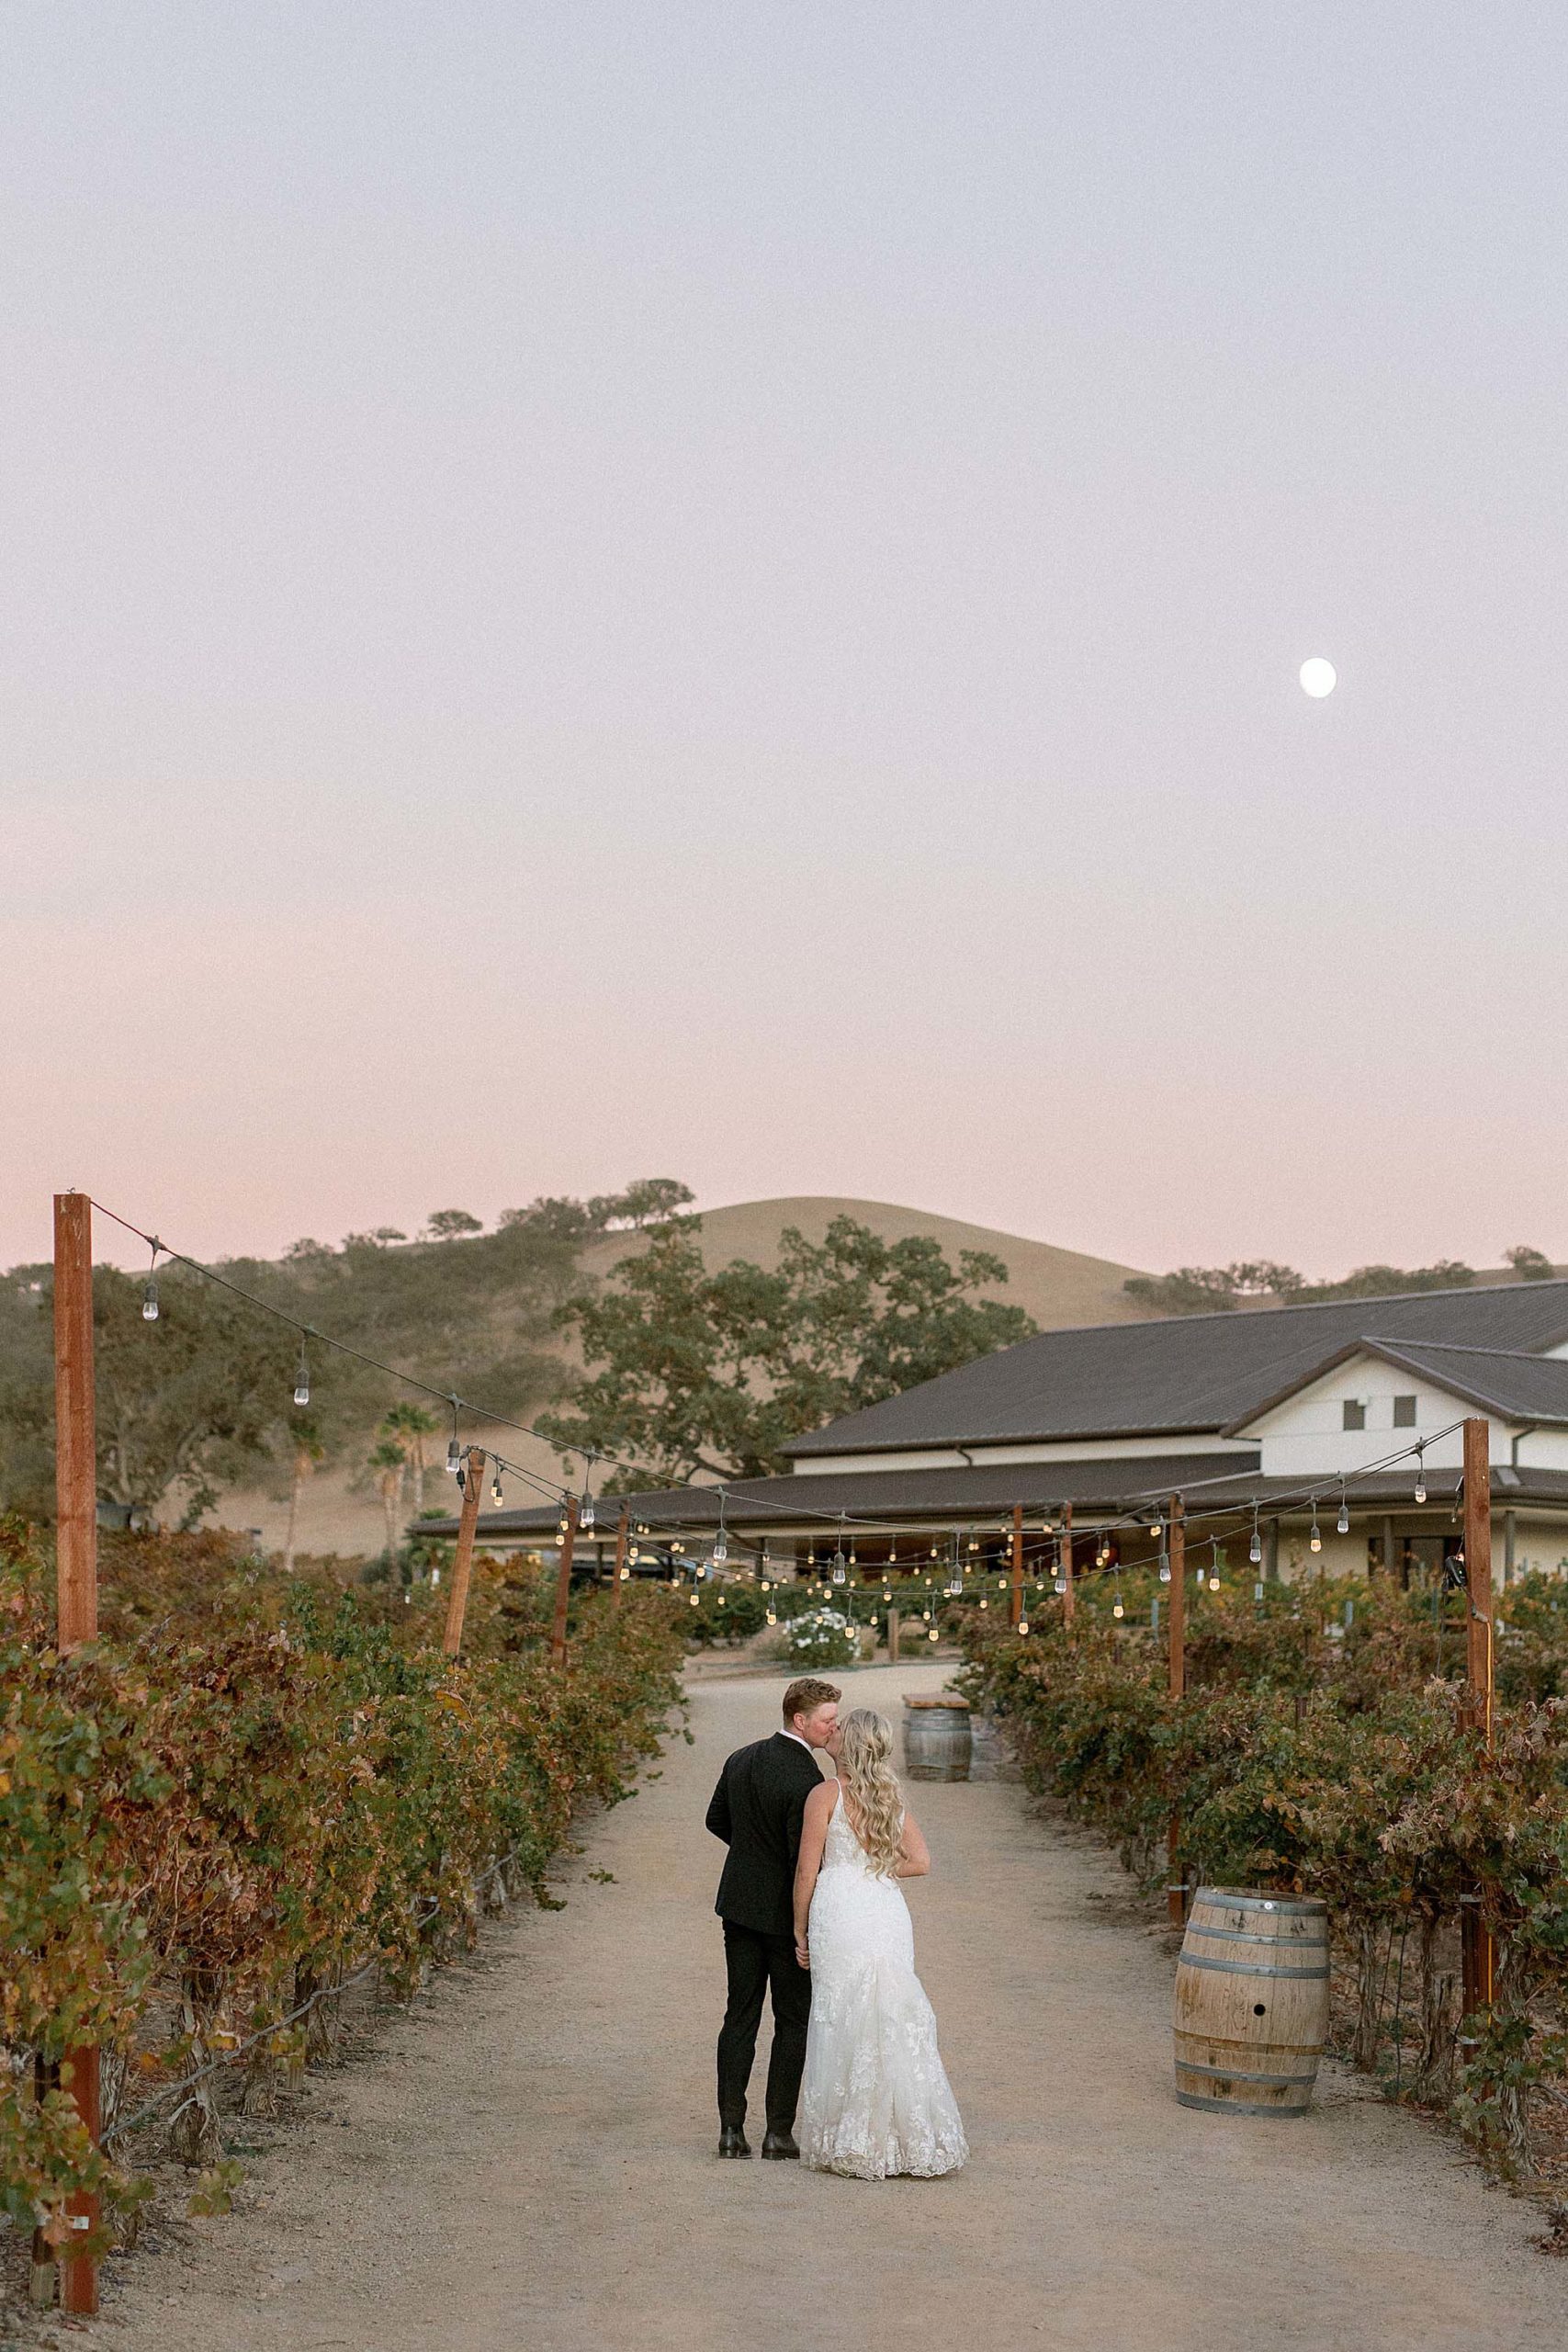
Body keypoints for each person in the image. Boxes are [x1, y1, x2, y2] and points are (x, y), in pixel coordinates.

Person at [792, 1705, 967, 2179]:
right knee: (889, 2008)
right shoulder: (890, 1794)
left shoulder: (825, 1794)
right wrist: (876, 1871)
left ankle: (851, 2136)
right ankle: (905, 2138)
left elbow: (808, 1870)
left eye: (840, 1728)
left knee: (842, 2009)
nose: (833, 1731)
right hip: (884, 1907)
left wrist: (799, 1928)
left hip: (840, 1909)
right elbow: (921, 1862)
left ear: (849, 1745)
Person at [705, 1676, 840, 2159]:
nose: (834, 1727)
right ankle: (778, 2134)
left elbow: (715, 1820)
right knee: (792, 2021)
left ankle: (729, 2132)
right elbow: (801, 1861)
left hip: (738, 1907)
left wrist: (748, 1858)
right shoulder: (808, 1781)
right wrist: (805, 1924)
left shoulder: (740, 1758)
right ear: (800, 1720)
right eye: (827, 1720)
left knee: (738, 2015)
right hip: (785, 1918)